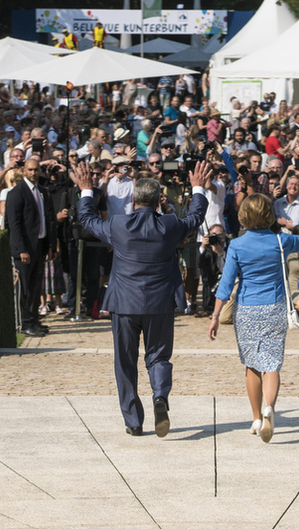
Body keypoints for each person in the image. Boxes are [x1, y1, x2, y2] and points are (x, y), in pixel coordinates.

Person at [73, 160, 212, 438]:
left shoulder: (118, 224)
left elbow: (87, 220)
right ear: (159, 200)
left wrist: (86, 190)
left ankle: (134, 421)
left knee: (125, 362)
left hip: (124, 303)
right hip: (159, 302)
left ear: (134, 199)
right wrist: (198, 188)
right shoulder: (169, 225)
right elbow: (195, 218)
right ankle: (160, 396)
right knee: (158, 356)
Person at [207, 194, 299, 443]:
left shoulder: (236, 245)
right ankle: (269, 407)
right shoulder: (280, 241)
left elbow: (226, 284)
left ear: (244, 216)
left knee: (252, 365)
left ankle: (256, 417)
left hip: (246, 309)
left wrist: (215, 315)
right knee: (271, 363)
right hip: (274, 306)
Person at [6, 158, 57, 338]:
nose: (33, 173)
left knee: (36, 286)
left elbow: (49, 220)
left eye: (36, 170)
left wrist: (51, 245)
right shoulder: (17, 193)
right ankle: (24, 322)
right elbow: (14, 224)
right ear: (24, 171)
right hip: (25, 249)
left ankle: (34, 319)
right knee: (25, 287)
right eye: (30, 170)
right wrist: (21, 250)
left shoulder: (43, 192)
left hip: (40, 246)